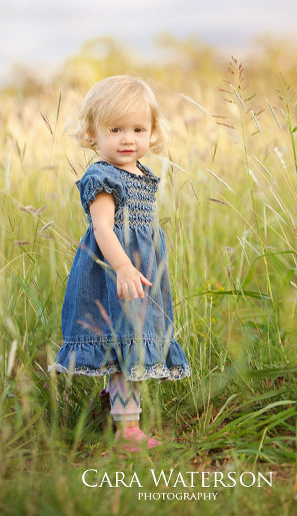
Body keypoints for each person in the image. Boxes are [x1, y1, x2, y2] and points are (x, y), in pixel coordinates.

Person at [48, 75, 191, 453]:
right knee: (126, 344)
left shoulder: (141, 173)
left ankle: (113, 411)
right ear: (92, 134)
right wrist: (124, 266)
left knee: (131, 345)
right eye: (115, 129)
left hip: (139, 272)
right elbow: (103, 229)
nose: (128, 139)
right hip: (113, 274)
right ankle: (128, 432)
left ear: (152, 132)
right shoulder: (102, 176)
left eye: (138, 129)